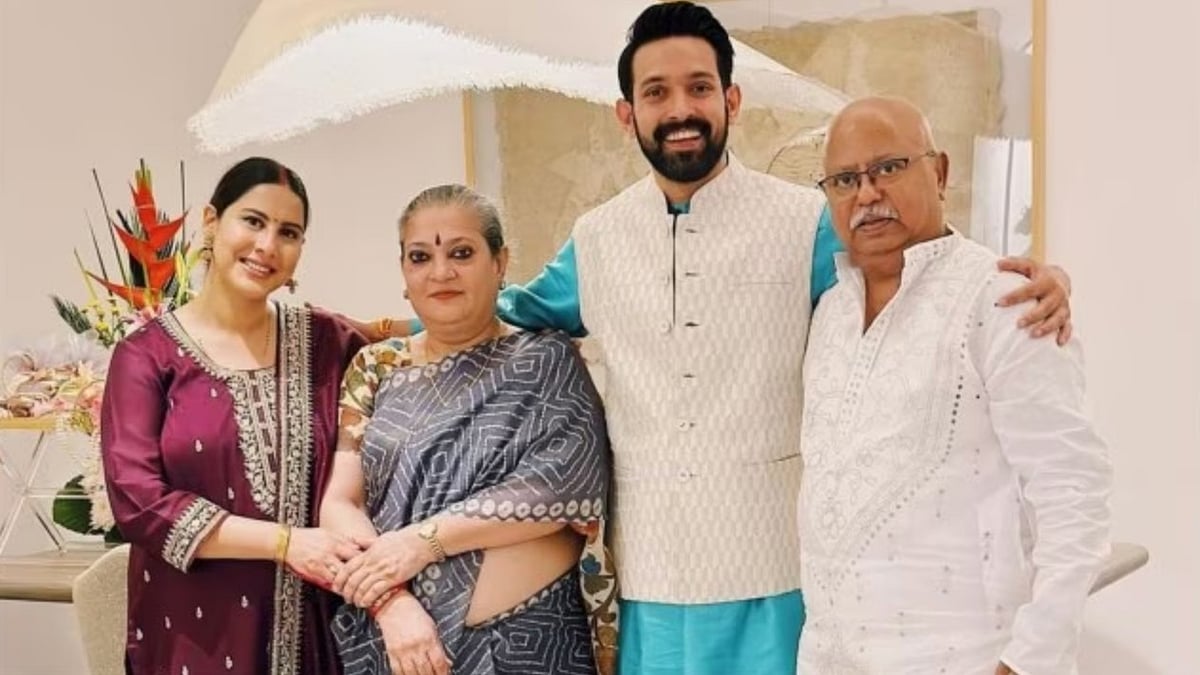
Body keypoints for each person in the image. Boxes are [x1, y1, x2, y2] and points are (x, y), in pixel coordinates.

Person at [379, 4, 1076, 672]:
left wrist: (1038, 276)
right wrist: (367, 330)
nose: (679, 108)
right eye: (657, 92)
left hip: (776, 579)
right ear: (628, 114)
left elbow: (910, 256)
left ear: (731, 101)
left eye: (699, 88)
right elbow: (496, 312)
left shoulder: (807, 221)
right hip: (650, 581)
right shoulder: (596, 239)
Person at [796, 96, 1112, 675]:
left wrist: (1029, 660)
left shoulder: (1004, 300)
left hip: (966, 659)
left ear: (939, 172)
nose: (866, 194)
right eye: (845, 180)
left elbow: (1074, 493)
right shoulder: (829, 312)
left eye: (887, 168)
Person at [319, 184, 611, 675]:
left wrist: (419, 544)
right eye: (420, 256)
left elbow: (564, 485)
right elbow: (342, 502)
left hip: (532, 647)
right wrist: (391, 603)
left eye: (461, 253)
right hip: (397, 647)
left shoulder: (545, 359)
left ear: (500, 263)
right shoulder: (376, 367)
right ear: (403, 273)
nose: (441, 272)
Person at [100, 157, 369, 675]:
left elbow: (427, 335)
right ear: (210, 222)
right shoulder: (146, 357)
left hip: (317, 633)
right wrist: (286, 544)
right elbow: (137, 499)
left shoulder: (327, 341)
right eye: (253, 221)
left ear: (300, 251)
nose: (267, 245)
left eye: (287, 232)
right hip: (191, 635)